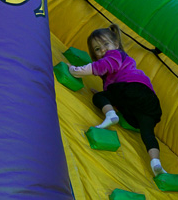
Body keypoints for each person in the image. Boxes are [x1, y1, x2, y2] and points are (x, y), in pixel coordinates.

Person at [68, 24, 166, 176]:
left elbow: (100, 67)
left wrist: (74, 70)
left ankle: (110, 115)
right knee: (147, 133)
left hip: (131, 89)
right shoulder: (120, 64)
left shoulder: (115, 55)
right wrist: (106, 94)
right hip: (148, 103)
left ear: (116, 44)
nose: (103, 51)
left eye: (106, 44)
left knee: (98, 97)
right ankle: (156, 163)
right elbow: (114, 86)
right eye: (97, 49)